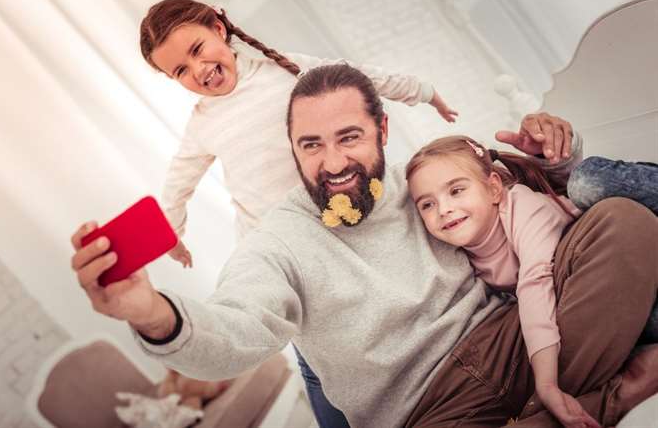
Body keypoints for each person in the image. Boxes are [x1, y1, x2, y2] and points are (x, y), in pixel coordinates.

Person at [70, 64, 658, 428]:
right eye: (311, 144)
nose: (332, 164)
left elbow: (538, 193)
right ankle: (612, 395)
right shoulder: (278, 240)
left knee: (623, 225)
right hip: (428, 410)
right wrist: (150, 315)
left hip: (511, 343)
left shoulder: (423, 180)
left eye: (348, 138)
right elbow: (236, 330)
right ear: (293, 148)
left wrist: (559, 146)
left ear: (381, 131)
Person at [141, 0, 458, 425]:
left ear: (219, 28)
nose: (197, 71)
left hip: (331, 218)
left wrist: (423, 92)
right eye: (180, 70)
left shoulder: (283, 70)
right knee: (312, 353)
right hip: (277, 248)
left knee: (355, 319)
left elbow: (357, 77)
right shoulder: (203, 123)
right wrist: (172, 235)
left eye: (197, 50)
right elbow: (179, 182)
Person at [405, 136, 658, 427]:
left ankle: (550, 407)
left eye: (456, 190)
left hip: (631, 260)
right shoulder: (463, 255)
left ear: (493, 189)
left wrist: (547, 384)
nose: (443, 209)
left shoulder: (521, 207)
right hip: (611, 304)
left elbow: (535, 283)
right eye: (427, 204)